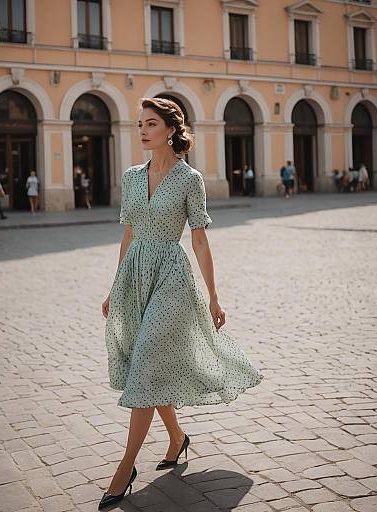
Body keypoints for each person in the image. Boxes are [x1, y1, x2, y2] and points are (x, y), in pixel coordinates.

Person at [99, 97, 264, 509]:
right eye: (140, 124)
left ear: (170, 130)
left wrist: (213, 295)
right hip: (136, 276)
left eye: (150, 124)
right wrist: (114, 286)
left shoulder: (190, 180)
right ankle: (176, 438)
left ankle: (125, 467)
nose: (142, 130)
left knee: (145, 363)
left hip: (172, 277)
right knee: (150, 367)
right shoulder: (132, 177)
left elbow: (200, 239)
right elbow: (128, 234)